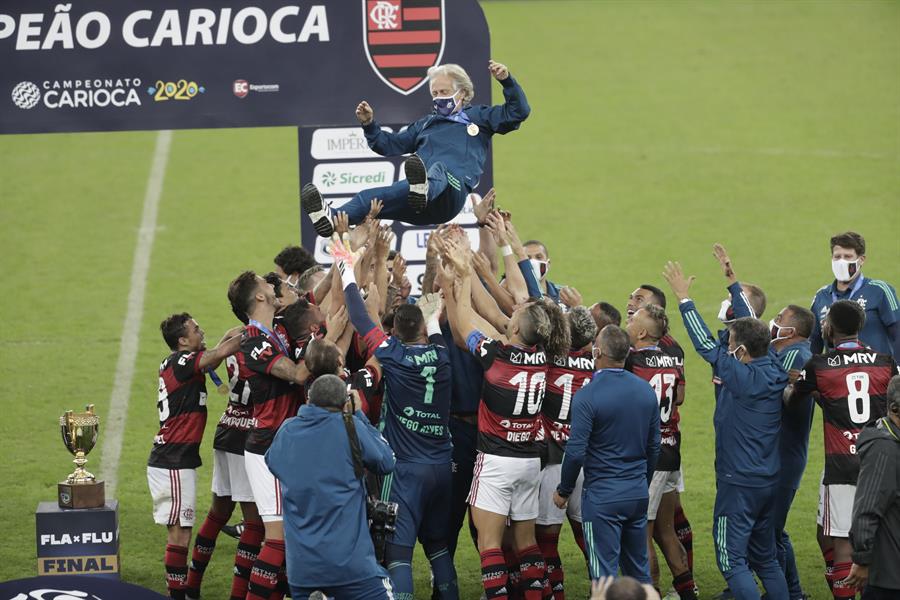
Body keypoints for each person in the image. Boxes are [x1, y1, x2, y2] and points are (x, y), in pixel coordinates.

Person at [331, 237, 459, 600]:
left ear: (394, 333)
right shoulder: (441, 354)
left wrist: (345, 265)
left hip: (406, 472)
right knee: (438, 549)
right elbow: (432, 312)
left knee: (398, 555)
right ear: (423, 330)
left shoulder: (392, 356)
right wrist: (440, 268)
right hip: (441, 467)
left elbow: (359, 315)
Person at [444, 254, 569, 600]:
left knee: (489, 543)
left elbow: (465, 323)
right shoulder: (545, 354)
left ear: (514, 329)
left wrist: (461, 275)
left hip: (496, 460)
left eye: (513, 315)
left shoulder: (495, 355)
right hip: (531, 461)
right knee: (526, 543)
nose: (510, 313)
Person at [663, 260, 788, 600]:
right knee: (766, 559)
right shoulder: (774, 367)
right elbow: (755, 325)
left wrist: (684, 299)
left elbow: (704, 344)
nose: (727, 345)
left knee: (732, 561)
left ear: (742, 351)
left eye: (732, 342)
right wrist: (734, 284)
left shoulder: (739, 376)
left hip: (738, 483)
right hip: (768, 478)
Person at [301, 60, 530, 236]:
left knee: (438, 169)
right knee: (368, 198)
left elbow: (518, 112)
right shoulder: (425, 124)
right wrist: (369, 124)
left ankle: (425, 188)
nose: (439, 98)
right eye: (435, 93)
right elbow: (388, 145)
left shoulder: (480, 116)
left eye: (444, 92)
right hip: (416, 200)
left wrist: (507, 80)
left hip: (451, 192)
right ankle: (330, 218)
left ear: (462, 92)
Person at [786, 300, 898, 600]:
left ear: (829, 327)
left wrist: (796, 385)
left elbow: (792, 401)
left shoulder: (819, 366)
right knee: (863, 530)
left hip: (841, 464)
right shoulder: (886, 362)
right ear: (860, 326)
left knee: (842, 542)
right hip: (879, 458)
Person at [266, 374, 397, 600]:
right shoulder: (350, 428)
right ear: (345, 402)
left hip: (302, 570)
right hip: (351, 566)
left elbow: (272, 462)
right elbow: (387, 460)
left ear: (309, 400)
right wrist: (359, 416)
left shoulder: (287, 431)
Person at [227, 271, 313, 600]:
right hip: (267, 449)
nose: (274, 287)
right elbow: (296, 374)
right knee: (276, 538)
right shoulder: (253, 341)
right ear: (259, 298)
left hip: (284, 445)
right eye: (267, 286)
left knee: (287, 538)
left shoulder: (274, 328)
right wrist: (310, 341)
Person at [552, 325, 660, 584]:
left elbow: (575, 452)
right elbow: (654, 447)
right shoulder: (645, 391)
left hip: (602, 498)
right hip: (636, 493)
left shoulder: (587, 396)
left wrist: (564, 490)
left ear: (598, 352)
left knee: (603, 578)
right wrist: (641, 482)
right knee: (639, 573)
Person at [147, 313, 241, 599]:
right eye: (195, 330)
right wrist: (256, 334)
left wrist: (247, 326)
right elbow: (222, 351)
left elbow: (218, 346)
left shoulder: (177, 361)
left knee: (181, 530)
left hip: (175, 459)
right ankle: (179, 595)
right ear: (183, 341)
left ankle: (184, 591)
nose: (202, 332)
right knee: (179, 534)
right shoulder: (184, 363)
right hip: (172, 461)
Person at [624, 305, 698, 600]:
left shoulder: (631, 361)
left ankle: (650, 594)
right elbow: (678, 397)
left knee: (641, 534)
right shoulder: (671, 359)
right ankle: (688, 594)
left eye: (632, 320)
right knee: (666, 531)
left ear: (641, 333)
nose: (627, 322)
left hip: (648, 457)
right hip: (671, 452)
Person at [536, 306, 598, 596]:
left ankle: (556, 592)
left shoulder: (546, 360)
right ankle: (604, 587)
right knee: (587, 533)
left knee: (547, 538)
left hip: (555, 461)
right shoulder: (597, 363)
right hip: (588, 460)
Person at [768, 305, 815, 600]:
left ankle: (791, 594)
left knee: (770, 531)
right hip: (777, 454)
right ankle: (790, 592)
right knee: (770, 529)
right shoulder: (786, 354)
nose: (774, 321)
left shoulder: (798, 355)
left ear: (793, 330)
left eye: (780, 318)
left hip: (784, 456)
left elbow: (786, 395)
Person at [846, 375, 900, 600]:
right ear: (896, 408)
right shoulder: (883, 449)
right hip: (888, 578)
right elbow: (867, 508)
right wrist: (862, 559)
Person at [810, 231, 900, 358]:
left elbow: (898, 333)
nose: (841, 261)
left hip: (876, 373)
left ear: (861, 260)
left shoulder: (880, 290)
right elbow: (814, 343)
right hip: (836, 373)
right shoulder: (821, 296)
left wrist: (898, 369)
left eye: (847, 256)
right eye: (837, 256)